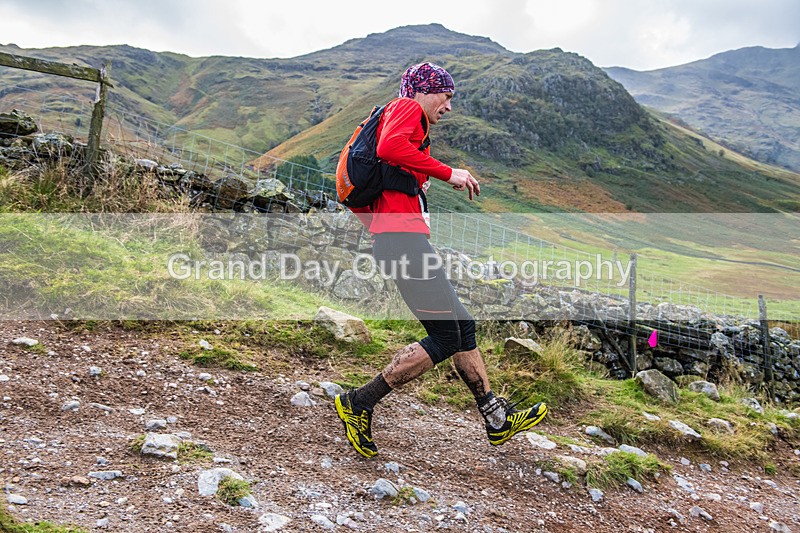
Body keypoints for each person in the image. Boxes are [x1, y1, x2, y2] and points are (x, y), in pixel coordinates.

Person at [335, 62, 547, 458]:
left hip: (399, 240)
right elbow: (388, 147)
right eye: (446, 96)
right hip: (403, 243)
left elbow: (371, 182)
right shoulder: (406, 108)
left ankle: (495, 417)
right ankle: (359, 402)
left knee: (461, 326)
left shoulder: (400, 124)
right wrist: (451, 174)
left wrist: (404, 202)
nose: (448, 106)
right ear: (425, 90)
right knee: (448, 335)